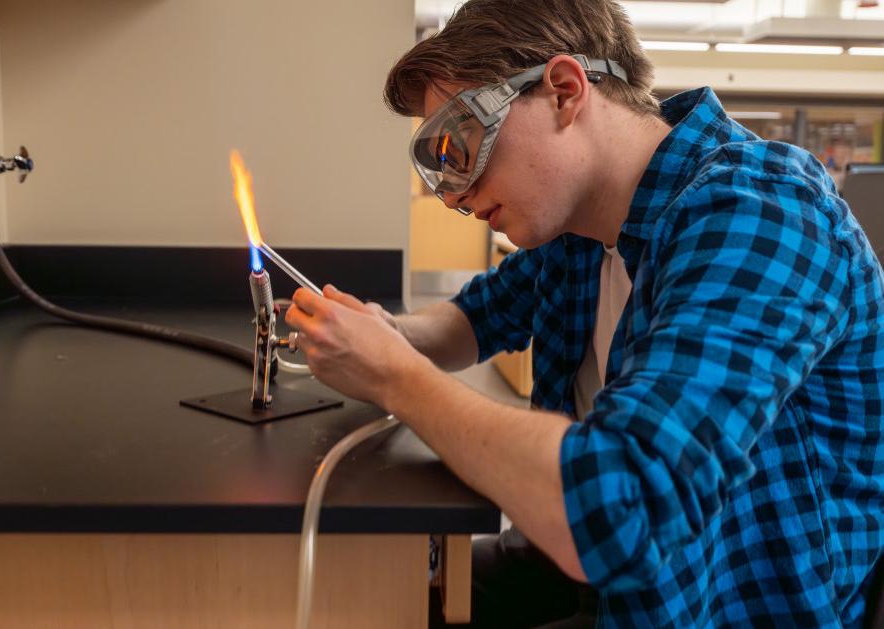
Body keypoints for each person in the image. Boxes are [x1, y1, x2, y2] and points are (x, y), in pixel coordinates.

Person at [284, 0, 884, 626]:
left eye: (461, 144)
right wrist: (374, 334)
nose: (454, 196)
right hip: (588, 572)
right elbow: (475, 318)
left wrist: (393, 377)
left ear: (566, 91)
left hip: (707, 598)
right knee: (382, 592)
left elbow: (624, 504)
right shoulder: (581, 227)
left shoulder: (761, 214)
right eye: (439, 166)